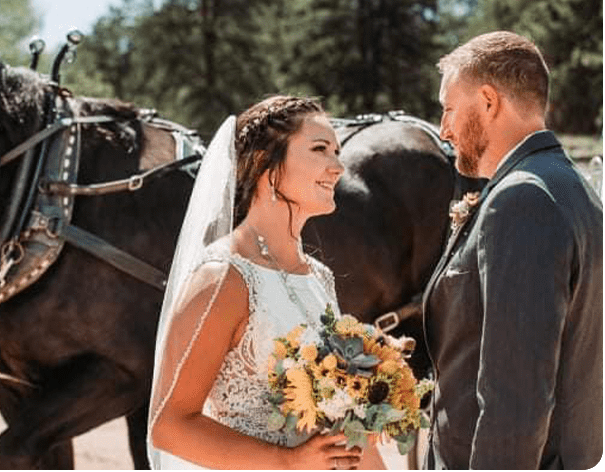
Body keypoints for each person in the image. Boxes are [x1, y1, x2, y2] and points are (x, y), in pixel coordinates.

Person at [147, 95, 385, 470]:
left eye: (337, 151)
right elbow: (169, 426)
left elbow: (339, 429)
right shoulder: (223, 278)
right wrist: (287, 461)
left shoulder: (318, 277)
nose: (338, 166)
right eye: (320, 149)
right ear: (264, 162)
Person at [423, 31, 603, 469]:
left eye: (448, 109)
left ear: (488, 101)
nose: (444, 131)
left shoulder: (523, 199)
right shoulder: (573, 187)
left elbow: (516, 400)